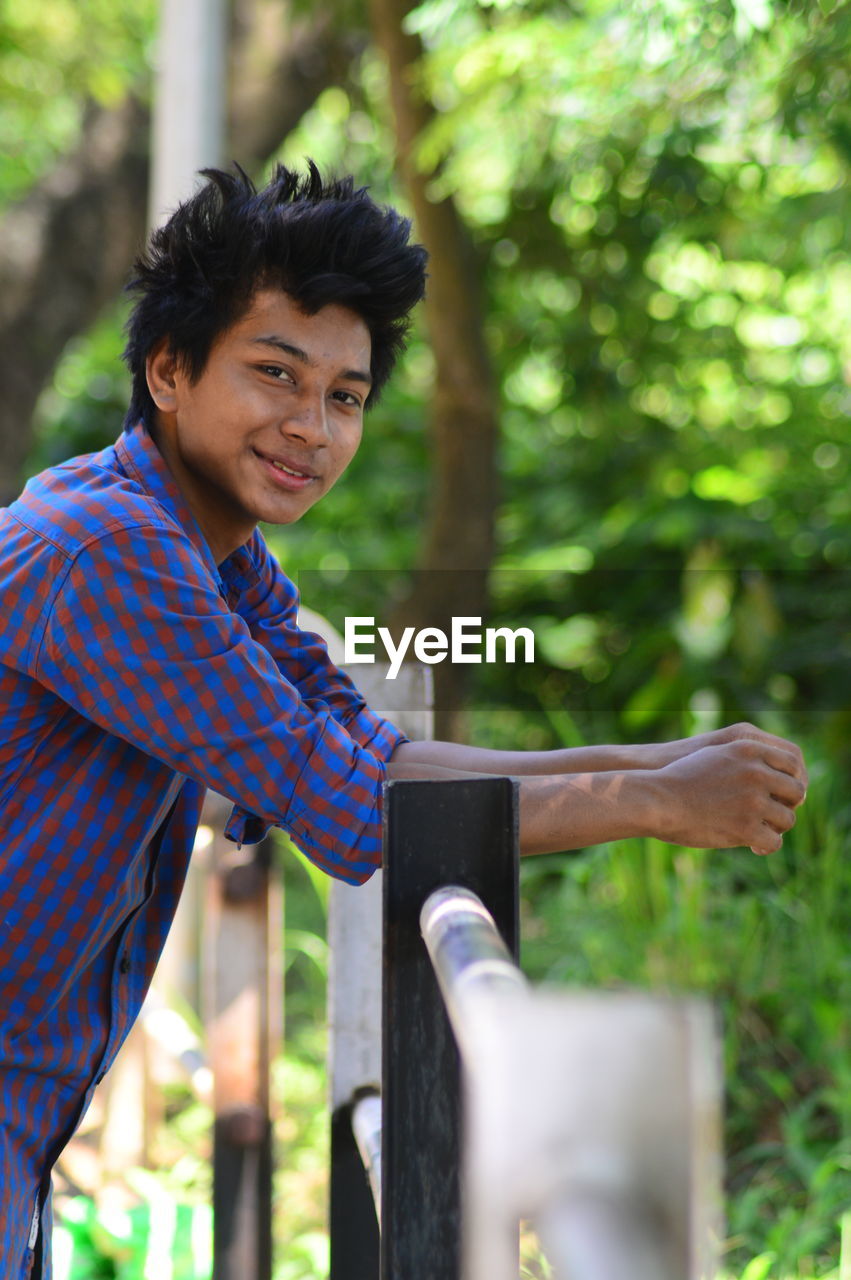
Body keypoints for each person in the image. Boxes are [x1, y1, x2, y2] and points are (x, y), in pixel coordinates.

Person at [0, 163, 806, 1278]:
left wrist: (659, 756)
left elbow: (366, 749)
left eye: (343, 396)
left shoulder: (213, 552)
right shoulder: (111, 553)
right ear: (169, 369)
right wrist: (656, 802)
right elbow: (354, 808)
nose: (311, 426)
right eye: (275, 375)